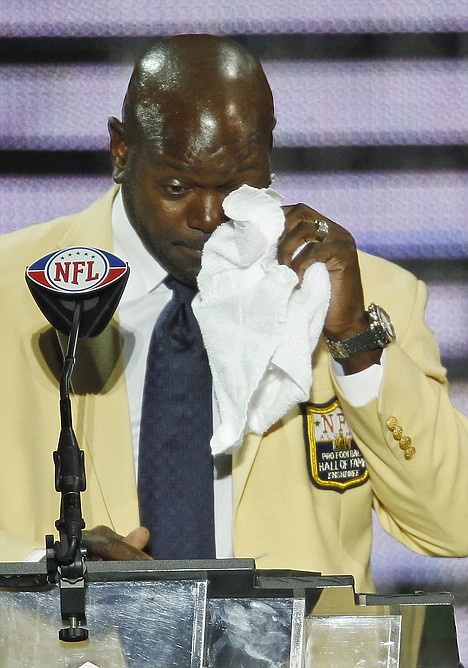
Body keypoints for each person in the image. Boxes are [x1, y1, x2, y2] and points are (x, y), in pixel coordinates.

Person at [1, 34, 468, 592]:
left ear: (269, 159)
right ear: (121, 151)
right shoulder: (12, 288)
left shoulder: (363, 294)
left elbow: (452, 525)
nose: (206, 215)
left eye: (238, 186)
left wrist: (354, 341)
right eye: (176, 185)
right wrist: (45, 567)